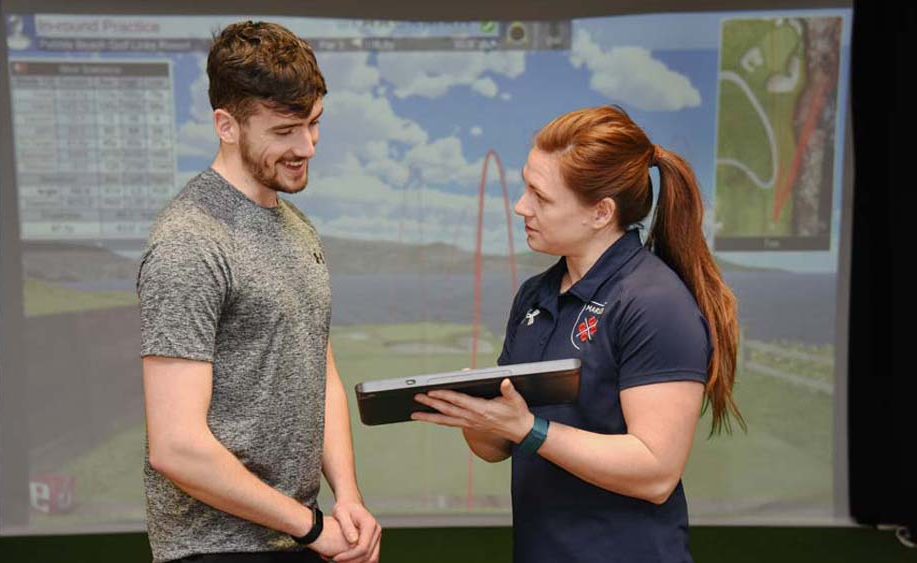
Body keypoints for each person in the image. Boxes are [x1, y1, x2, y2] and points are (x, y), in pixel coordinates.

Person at [412, 105, 742, 562]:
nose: (521, 206)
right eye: (525, 186)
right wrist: (478, 413)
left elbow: (655, 471)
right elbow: (497, 448)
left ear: (600, 212)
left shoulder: (654, 303)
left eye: (540, 196)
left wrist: (529, 429)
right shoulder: (536, 293)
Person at [137, 21, 380, 563]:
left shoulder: (296, 226)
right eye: (284, 131)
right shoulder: (189, 242)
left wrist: (348, 501)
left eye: (314, 124)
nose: (307, 146)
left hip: (295, 533)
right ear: (226, 124)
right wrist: (312, 528)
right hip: (214, 548)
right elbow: (175, 447)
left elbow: (318, 369)